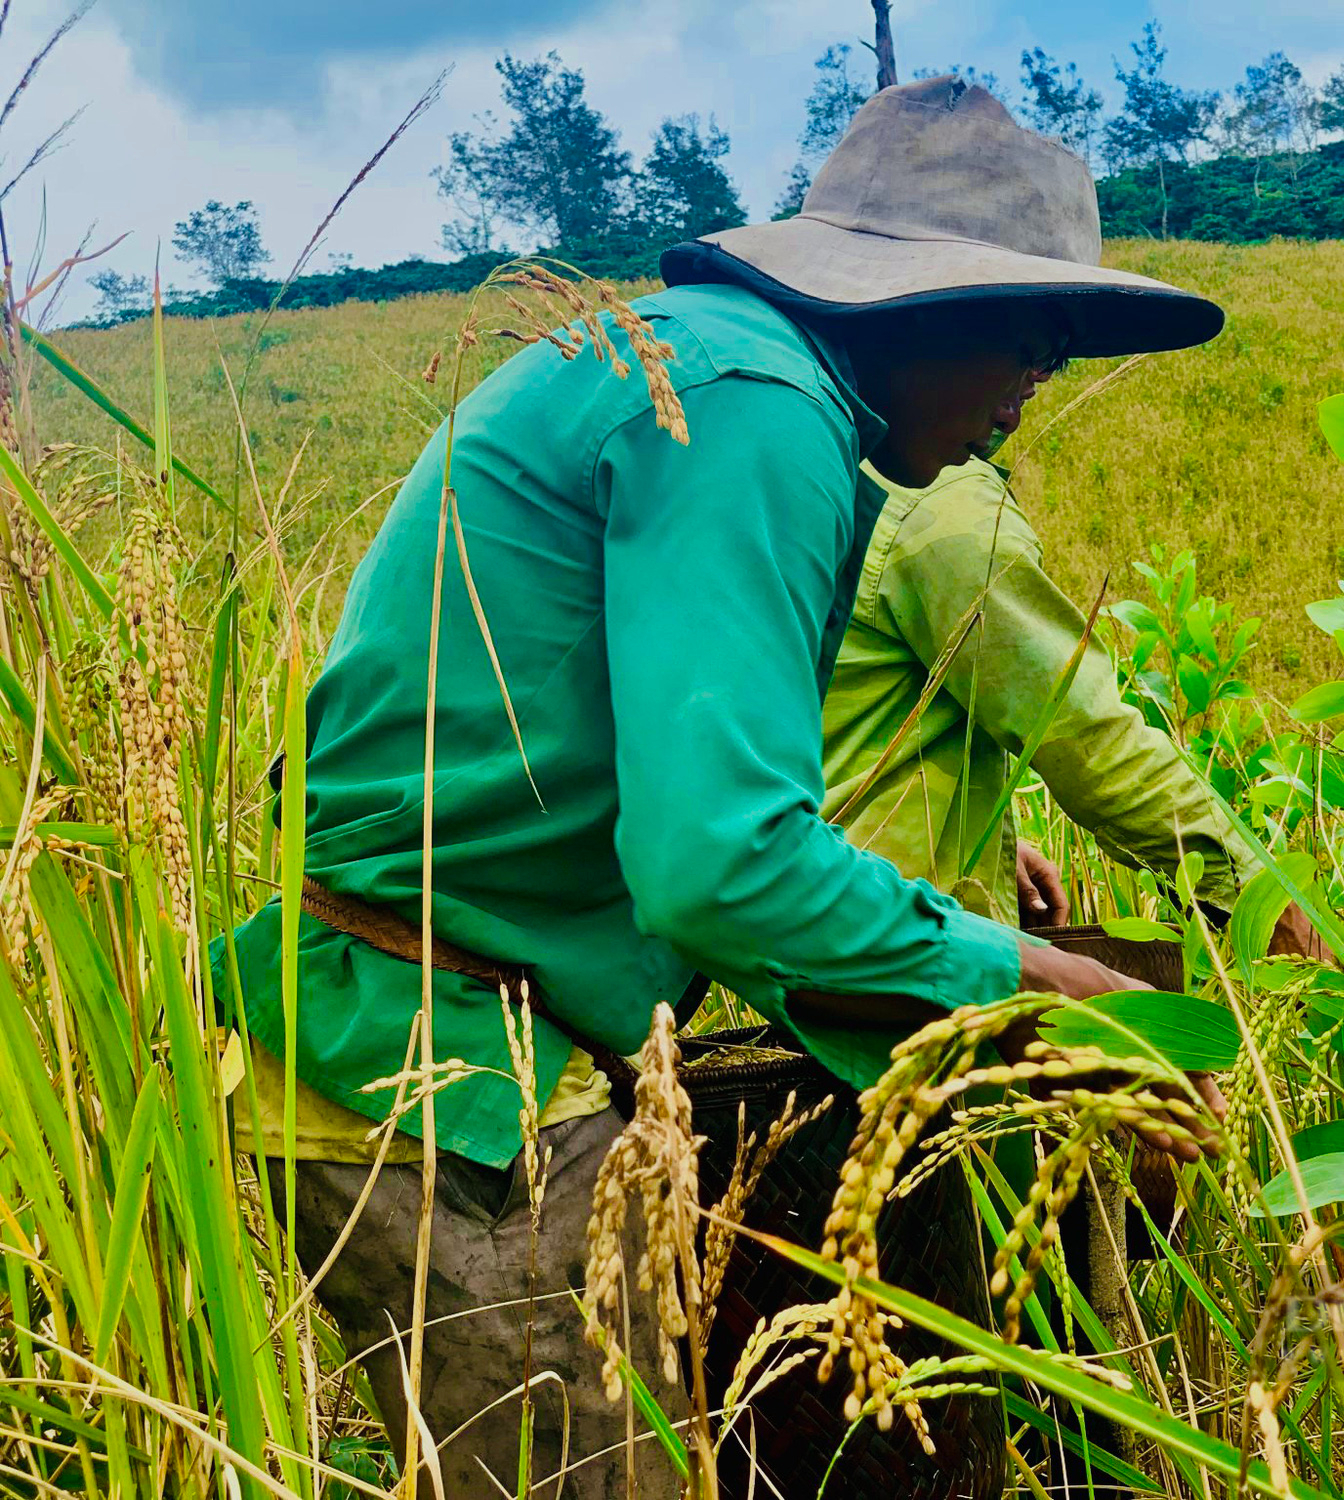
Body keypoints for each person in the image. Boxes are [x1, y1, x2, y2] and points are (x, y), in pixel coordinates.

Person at [217, 77, 1229, 1499]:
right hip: (450, 1080)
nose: (1033, 388)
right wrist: (1038, 980)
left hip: (432, 1049)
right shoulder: (756, 412)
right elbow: (719, 863)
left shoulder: (713, 372)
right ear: (918, 302)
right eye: (1032, 335)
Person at [821, 441, 1325, 952]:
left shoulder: (807, 458)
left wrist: (985, 843)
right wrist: (1264, 899)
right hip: (898, 945)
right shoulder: (938, 504)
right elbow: (1088, 744)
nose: (1031, 387)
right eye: (1024, 357)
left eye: (1053, 363)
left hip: (821, 910)